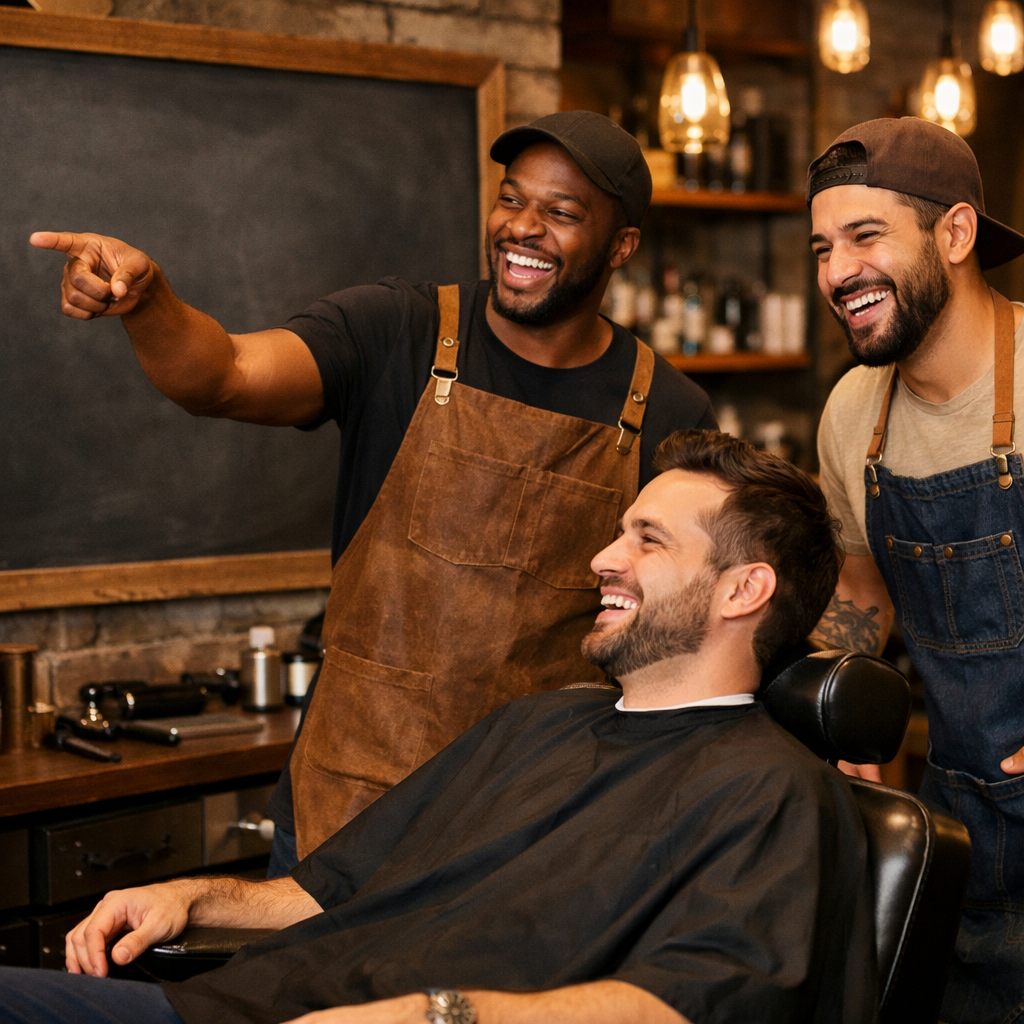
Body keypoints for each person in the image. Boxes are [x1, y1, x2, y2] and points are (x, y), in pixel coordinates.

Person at [30, 111, 716, 872]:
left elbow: (682, 631)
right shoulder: (399, 330)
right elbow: (221, 377)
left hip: (531, 826)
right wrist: (149, 300)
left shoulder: (667, 409)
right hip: (350, 807)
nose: (522, 228)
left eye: (561, 213)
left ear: (622, 245)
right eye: (512, 199)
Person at [0, 430, 875, 1024]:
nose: (604, 557)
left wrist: (443, 1014)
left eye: (648, 539)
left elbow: (692, 1002)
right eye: (619, 532)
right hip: (237, 1005)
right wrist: (194, 895)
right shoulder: (541, 723)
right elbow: (330, 889)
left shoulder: (772, 792)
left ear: (742, 590)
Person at [807, 116, 1024, 1023]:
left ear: (957, 233)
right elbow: (861, 592)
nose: (835, 272)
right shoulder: (855, 413)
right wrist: (838, 714)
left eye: (865, 237)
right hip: (959, 826)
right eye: (822, 247)